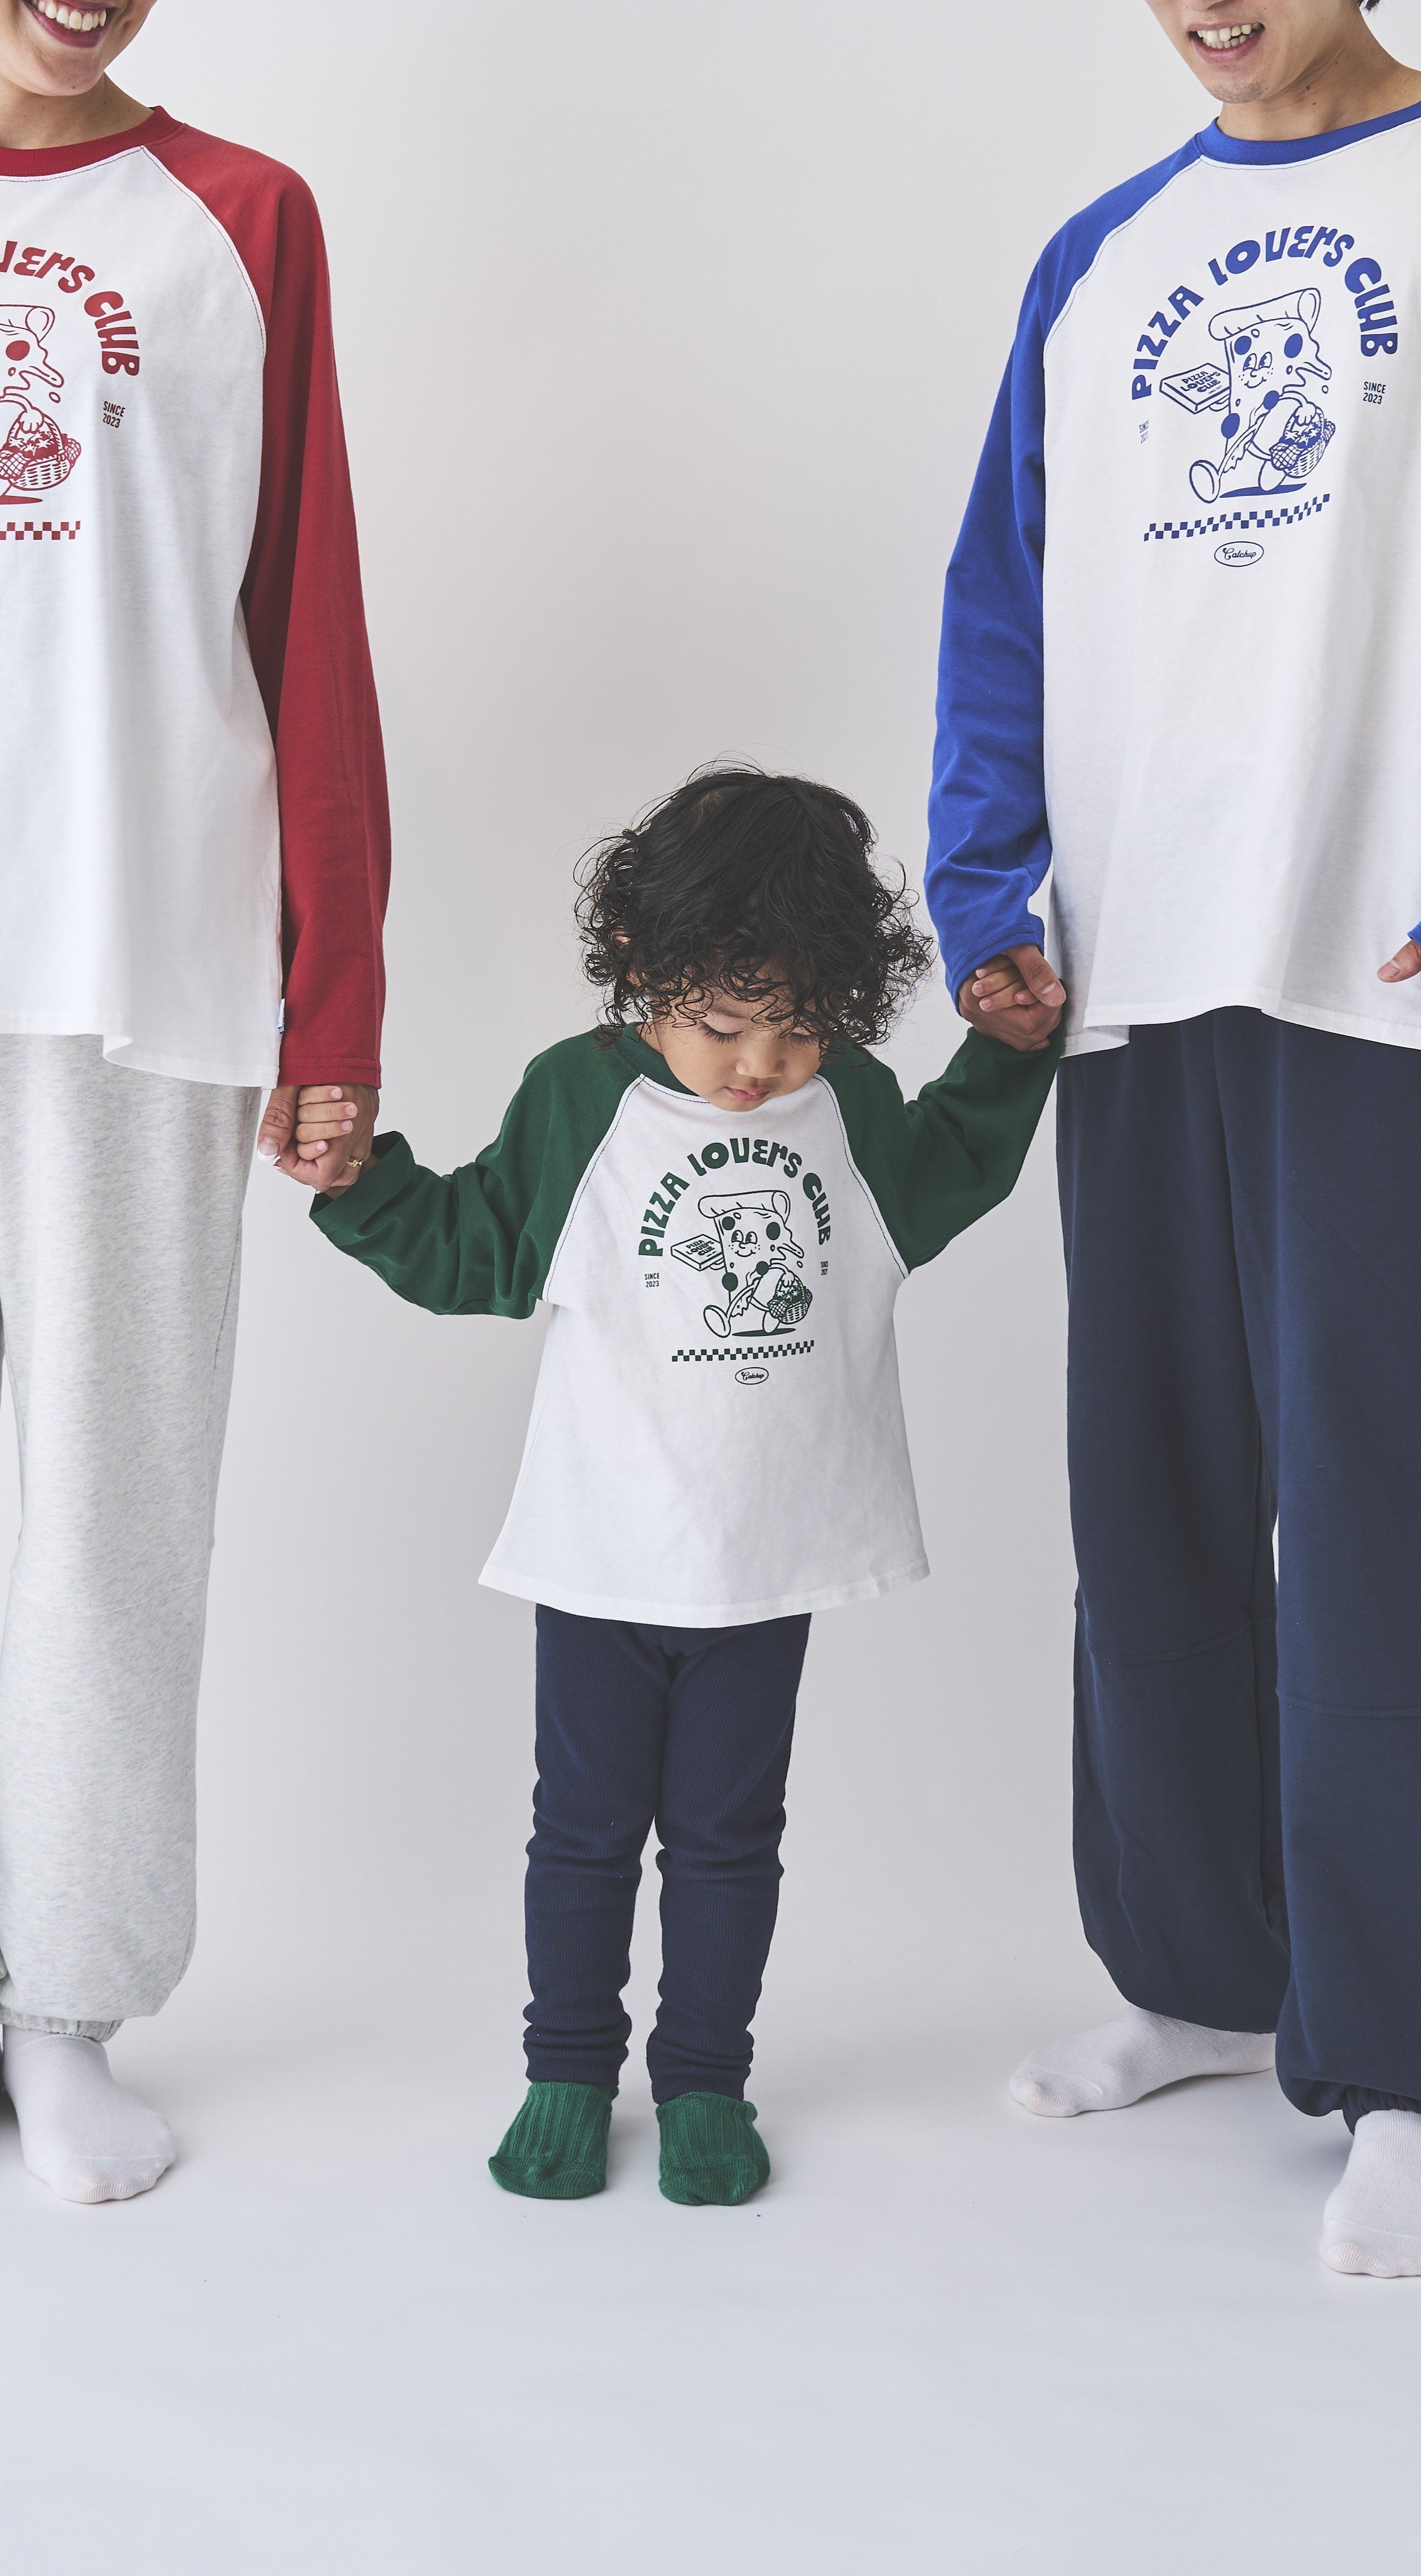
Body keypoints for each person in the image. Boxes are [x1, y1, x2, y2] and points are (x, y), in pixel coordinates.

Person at [927, 0, 1421, 2278]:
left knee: (1396, 1522)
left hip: (1401, 975)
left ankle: (1413, 2058)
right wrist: (986, 885)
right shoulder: (1099, 253)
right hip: (1137, 971)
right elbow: (1005, 594)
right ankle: (1200, 1969)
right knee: (1152, 1502)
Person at [0, 0, 389, 2209]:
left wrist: (333, 989)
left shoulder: (239, 218)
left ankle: (68, 2007)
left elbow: (307, 612)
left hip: (142, 958)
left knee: (111, 1522)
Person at [306, 771, 1056, 2202]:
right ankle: (567, 2073)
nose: (760, 1065)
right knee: (583, 1838)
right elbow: (476, 1249)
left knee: (729, 1842)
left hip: (769, 1562)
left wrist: (1009, 1057)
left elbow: (951, 1168)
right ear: (639, 967)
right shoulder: (580, 1097)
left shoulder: (851, 1107)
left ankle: (707, 2079)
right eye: (723, 1026)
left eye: (799, 1025)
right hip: (600, 1556)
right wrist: (358, 1187)